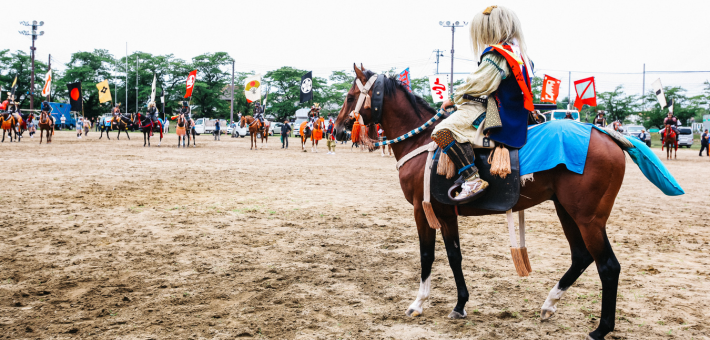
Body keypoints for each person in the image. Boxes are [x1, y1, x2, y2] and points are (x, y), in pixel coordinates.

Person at [430, 5, 532, 204]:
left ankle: (472, 179)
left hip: (496, 110)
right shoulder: (518, 53)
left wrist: (453, 98)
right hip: (515, 110)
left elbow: (478, 84)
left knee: (441, 131)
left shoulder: (497, 53)